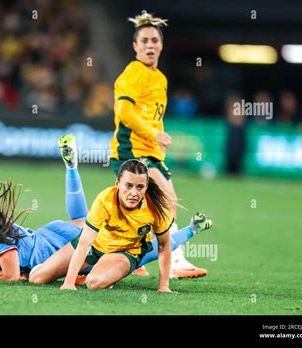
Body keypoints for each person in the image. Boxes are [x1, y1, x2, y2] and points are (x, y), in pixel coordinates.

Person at [0, 134, 212, 285]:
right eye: (129, 186)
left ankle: (191, 229)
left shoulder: (0, 242)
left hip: (58, 240)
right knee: (81, 225)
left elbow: (9, 276)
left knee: (145, 248)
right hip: (56, 236)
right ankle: (71, 168)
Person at [29, 135, 213, 291]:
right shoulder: (105, 199)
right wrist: (68, 282)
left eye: (140, 187)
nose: (134, 192)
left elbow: (164, 246)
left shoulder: (155, 208)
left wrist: (163, 286)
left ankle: (192, 229)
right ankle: (81, 270)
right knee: (36, 278)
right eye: (128, 186)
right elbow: (85, 242)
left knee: (94, 283)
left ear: (146, 187)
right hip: (96, 247)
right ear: (118, 183)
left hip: (126, 252)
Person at [108, 10, 207, 278]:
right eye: (145, 41)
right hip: (131, 150)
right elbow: (124, 113)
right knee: (166, 202)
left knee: (145, 207)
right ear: (135, 46)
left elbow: (151, 115)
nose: (150, 45)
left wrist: (158, 139)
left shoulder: (160, 78)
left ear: (161, 45)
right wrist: (154, 134)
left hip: (151, 152)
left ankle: (127, 258)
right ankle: (174, 261)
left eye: (155, 40)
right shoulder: (133, 73)